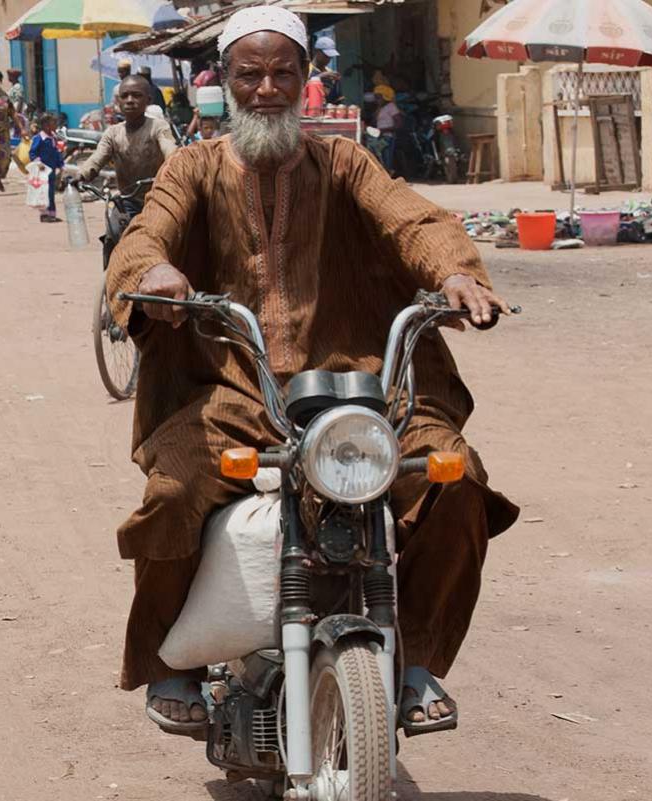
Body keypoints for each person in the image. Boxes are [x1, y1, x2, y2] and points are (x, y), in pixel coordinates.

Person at [102, 6, 517, 737]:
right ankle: (175, 664)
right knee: (174, 489)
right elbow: (146, 233)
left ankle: (416, 662)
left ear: (305, 80)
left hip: (359, 388)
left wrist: (456, 273)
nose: (266, 88)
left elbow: (411, 218)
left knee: (455, 474)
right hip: (229, 389)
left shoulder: (346, 163)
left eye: (282, 73)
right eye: (249, 75)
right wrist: (155, 272)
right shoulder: (192, 167)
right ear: (222, 82)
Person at [67, 74, 177, 204]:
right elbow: (97, 159)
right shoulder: (113, 133)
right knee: (113, 221)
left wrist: (176, 166)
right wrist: (81, 175)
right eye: (124, 96)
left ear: (148, 100)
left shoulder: (158, 126)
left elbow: (171, 151)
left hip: (157, 200)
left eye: (136, 95)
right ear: (118, 102)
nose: (129, 100)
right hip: (127, 201)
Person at [27, 113, 65, 223]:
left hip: (51, 170)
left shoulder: (53, 138)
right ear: (46, 125)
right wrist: (39, 164)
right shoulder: (39, 138)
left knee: (51, 192)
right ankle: (44, 214)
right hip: (42, 171)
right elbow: (32, 153)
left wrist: (60, 164)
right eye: (53, 123)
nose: (56, 125)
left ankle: (52, 214)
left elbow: (56, 152)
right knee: (43, 193)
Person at [374, 86, 403, 175]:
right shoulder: (381, 108)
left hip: (387, 137)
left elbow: (399, 124)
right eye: (376, 97)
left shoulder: (391, 106)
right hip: (381, 136)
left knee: (387, 158)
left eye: (378, 97)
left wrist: (383, 130)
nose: (376, 99)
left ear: (384, 97)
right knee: (380, 156)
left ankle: (388, 175)